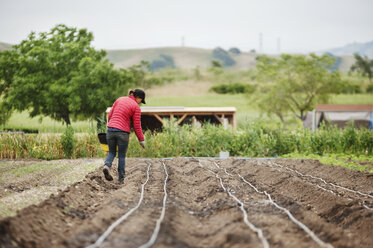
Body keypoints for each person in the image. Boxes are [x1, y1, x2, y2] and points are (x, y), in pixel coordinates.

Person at [103, 89, 146, 183]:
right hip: (122, 132)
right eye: (141, 101)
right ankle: (121, 179)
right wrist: (141, 139)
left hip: (110, 129)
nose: (140, 103)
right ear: (138, 98)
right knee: (121, 156)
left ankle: (106, 166)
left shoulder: (119, 99)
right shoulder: (136, 107)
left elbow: (110, 115)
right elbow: (137, 125)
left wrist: (111, 125)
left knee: (112, 152)